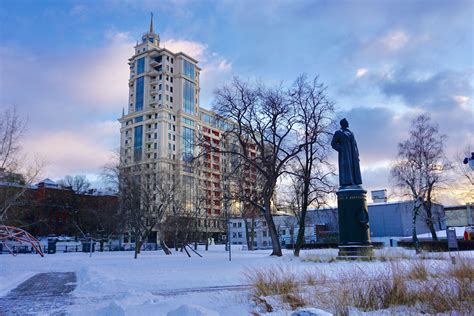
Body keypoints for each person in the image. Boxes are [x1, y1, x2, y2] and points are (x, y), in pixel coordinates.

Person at [331, 118, 362, 187]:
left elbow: (355, 145)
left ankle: (355, 182)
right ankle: (347, 182)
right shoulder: (338, 132)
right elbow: (333, 143)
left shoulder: (351, 133)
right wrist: (341, 149)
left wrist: (357, 155)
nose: (348, 123)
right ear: (343, 124)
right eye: (346, 122)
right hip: (345, 155)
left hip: (353, 155)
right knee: (346, 168)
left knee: (353, 168)